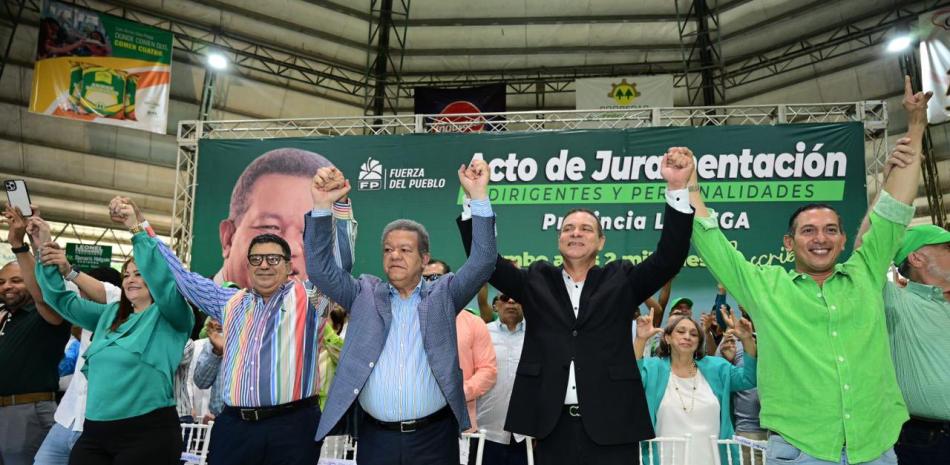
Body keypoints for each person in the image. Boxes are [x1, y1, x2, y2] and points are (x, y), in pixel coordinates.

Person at [686, 77, 930, 464]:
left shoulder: (865, 273)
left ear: (844, 238)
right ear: (789, 242)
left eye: (831, 229)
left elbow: (895, 210)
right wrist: (691, 188)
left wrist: (915, 127)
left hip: (876, 446)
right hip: (801, 451)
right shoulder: (767, 287)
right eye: (809, 231)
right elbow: (715, 247)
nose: (821, 238)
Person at [457, 150, 696, 464]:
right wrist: (477, 199)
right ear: (559, 240)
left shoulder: (621, 279)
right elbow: (486, 263)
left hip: (613, 425)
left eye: (586, 229)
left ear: (601, 242)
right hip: (551, 427)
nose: (576, 233)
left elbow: (669, 258)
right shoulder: (536, 279)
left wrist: (677, 188)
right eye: (568, 228)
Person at [127, 185, 356, 465]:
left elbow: (337, 269)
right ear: (247, 267)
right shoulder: (229, 301)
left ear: (288, 267)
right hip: (235, 426)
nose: (264, 265)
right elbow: (181, 276)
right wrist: (140, 228)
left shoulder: (309, 300)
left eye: (273, 259)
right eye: (256, 259)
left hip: (292, 427)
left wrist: (338, 205)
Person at [308, 161, 496, 465]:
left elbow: (484, 261)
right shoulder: (363, 294)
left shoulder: (444, 295)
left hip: (433, 439)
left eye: (405, 250)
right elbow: (320, 270)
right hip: (375, 439)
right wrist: (321, 207)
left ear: (424, 259)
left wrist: (477, 197)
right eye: (387, 249)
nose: (394, 255)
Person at [33, 198, 194, 465]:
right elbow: (62, 301)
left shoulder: (172, 315)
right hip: (95, 432)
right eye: (127, 274)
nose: (131, 279)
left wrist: (134, 227)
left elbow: (163, 279)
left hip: (147, 434)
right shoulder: (110, 315)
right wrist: (45, 250)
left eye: (140, 273)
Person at [852, 140, 950, 464]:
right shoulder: (895, 300)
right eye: (947, 249)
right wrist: (889, 181)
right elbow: (866, 250)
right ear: (918, 257)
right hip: (926, 442)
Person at [33, 223, 124, 465]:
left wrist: (72, 271)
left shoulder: (121, 308)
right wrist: (42, 242)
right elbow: (54, 290)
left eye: (87, 289)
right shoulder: (86, 315)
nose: (81, 296)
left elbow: (105, 292)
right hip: (67, 418)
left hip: (102, 425)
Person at [635, 307, 757, 465]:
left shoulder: (717, 368)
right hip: (664, 459)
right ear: (667, 338)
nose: (687, 336)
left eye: (694, 334)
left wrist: (747, 340)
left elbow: (749, 378)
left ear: (699, 342)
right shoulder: (653, 369)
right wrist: (640, 340)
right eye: (681, 331)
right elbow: (629, 384)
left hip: (713, 459)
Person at [0, 206, 71, 465]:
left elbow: (44, 292)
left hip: (27, 412)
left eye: (17, 280)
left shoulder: (45, 312)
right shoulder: (5, 317)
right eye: (2, 282)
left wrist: (21, 245)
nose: (7, 286)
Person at [216, 147, 335, 289]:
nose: (290, 249)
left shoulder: (333, 308)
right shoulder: (187, 309)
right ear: (228, 238)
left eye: (311, 234)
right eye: (270, 227)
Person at [476, 293, 528, 465]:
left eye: (517, 298)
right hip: (486, 431)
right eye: (505, 298)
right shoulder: (481, 333)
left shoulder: (538, 335)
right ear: (495, 306)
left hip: (527, 435)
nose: (511, 302)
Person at [456, 305, 497, 464]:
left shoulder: (473, 323)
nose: (434, 283)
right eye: (429, 279)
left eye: (438, 278)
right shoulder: (410, 320)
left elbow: (488, 370)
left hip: (460, 426)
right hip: (413, 426)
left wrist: (458, 394)